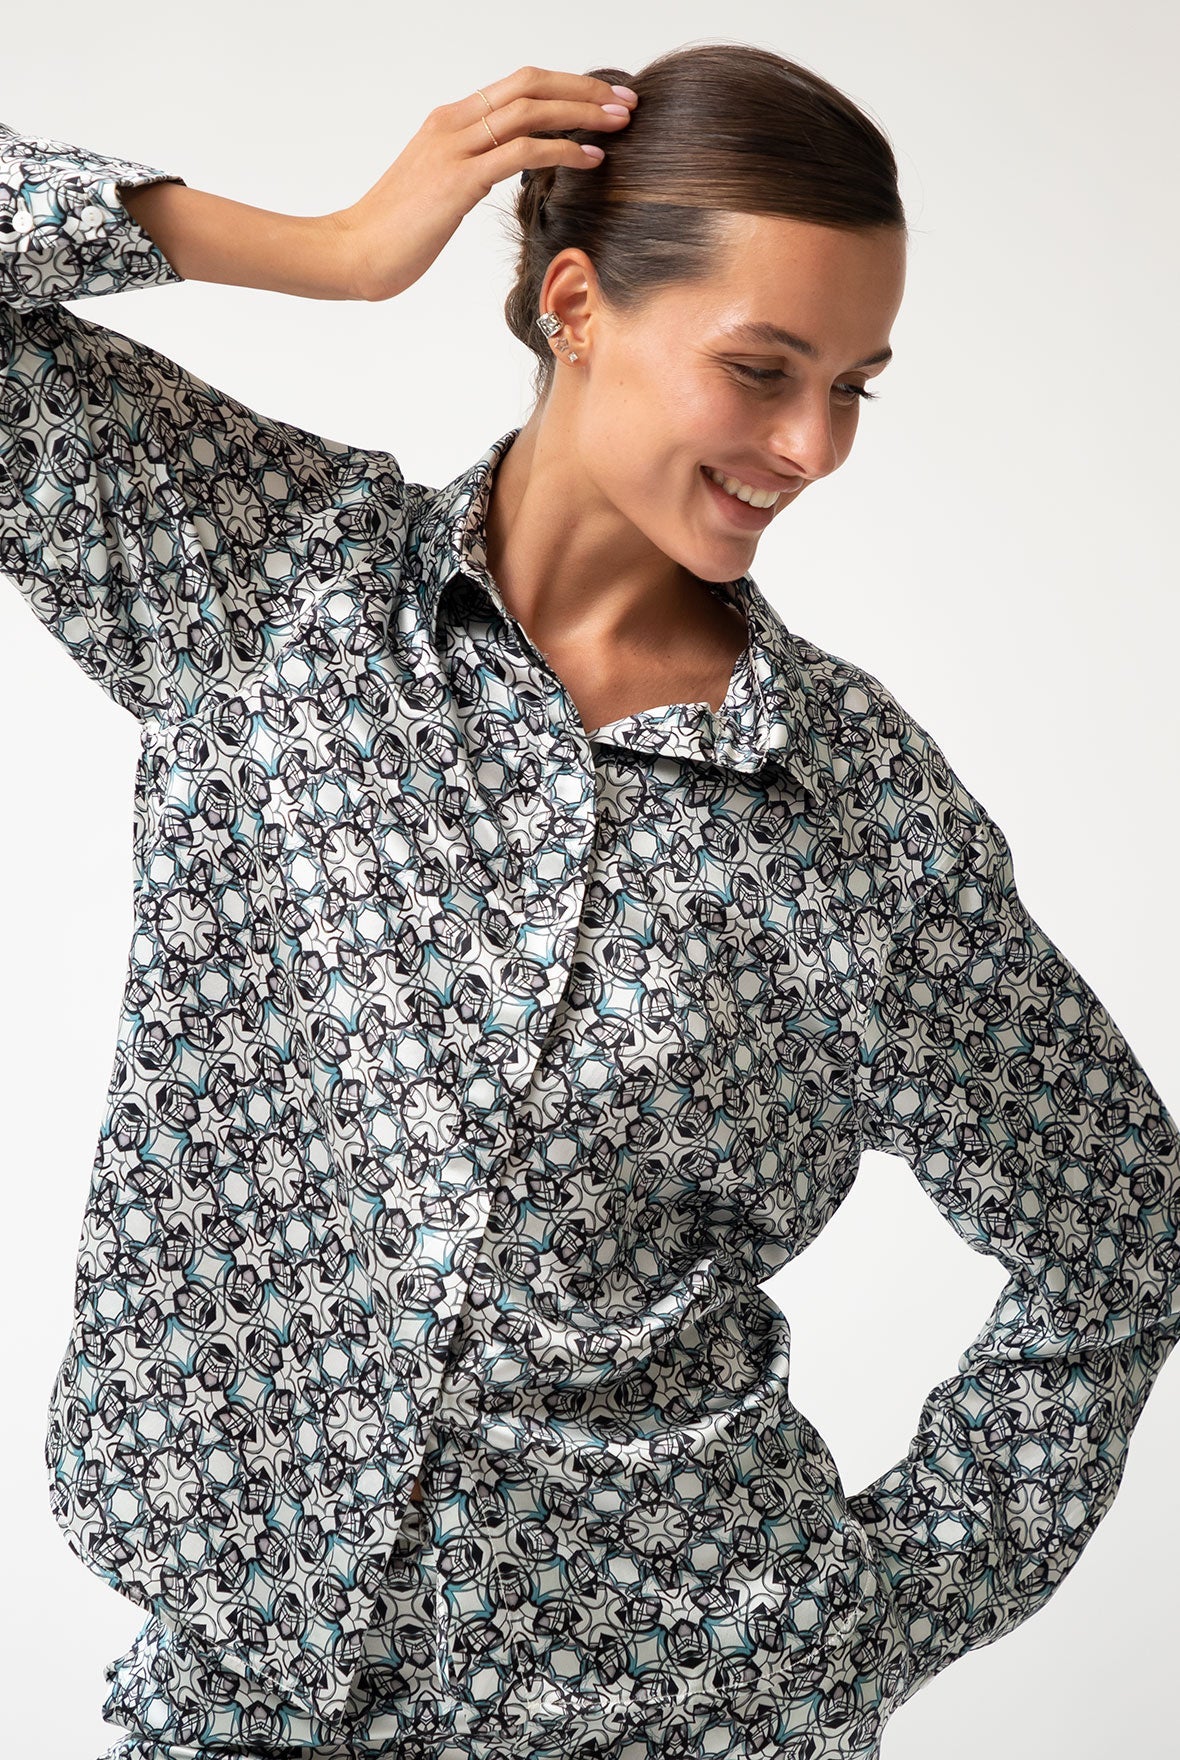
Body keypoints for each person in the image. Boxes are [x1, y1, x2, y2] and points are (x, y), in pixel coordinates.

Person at [1, 41, 1177, 1760]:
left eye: (855, 387)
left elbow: (1122, 1237)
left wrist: (863, 1624)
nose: (811, 446)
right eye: (761, 368)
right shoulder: (275, 594)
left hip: (676, 1712)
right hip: (235, 1696)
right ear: (574, 306)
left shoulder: (862, 816)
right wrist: (332, 249)